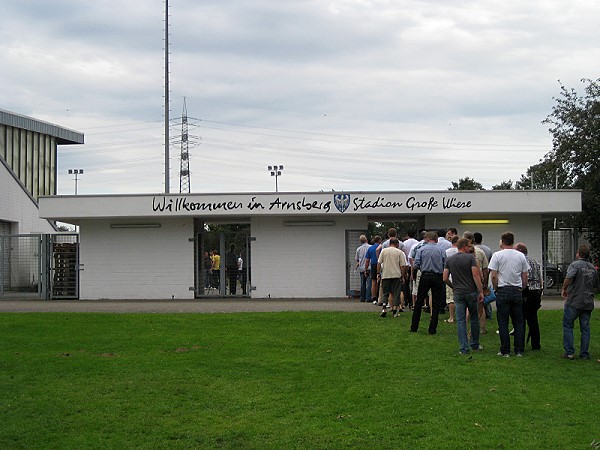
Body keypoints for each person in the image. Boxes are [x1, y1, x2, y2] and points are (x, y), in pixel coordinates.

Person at [488, 232, 529, 357]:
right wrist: (522, 287)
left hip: (503, 289)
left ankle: (505, 350)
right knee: (518, 321)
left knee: (503, 321)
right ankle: (519, 350)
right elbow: (525, 275)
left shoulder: (497, 255)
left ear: (502, 241)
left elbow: (493, 275)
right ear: (512, 241)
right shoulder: (521, 256)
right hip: (516, 290)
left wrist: (496, 287)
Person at [443, 238, 484, 354]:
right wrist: (480, 291)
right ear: (465, 246)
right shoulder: (470, 258)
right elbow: (476, 275)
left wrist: (453, 286)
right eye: (469, 246)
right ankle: (475, 344)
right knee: (474, 318)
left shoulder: (449, 260)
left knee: (461, 321)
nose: (471, 248)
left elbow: (445, 278)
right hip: (471, 292)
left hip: (458, 293)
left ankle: (464, 348)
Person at [561, 243, 599, 360]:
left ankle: (569, 352)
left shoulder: (575, 265)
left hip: (574, 300)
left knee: (567, 325)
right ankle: (584, 353)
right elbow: (596, 285)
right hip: (588, 302)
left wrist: (564, 288)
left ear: (578, 254)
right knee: (585, 328)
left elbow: (569, 278)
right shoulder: (593, 268)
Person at [410, 231, 446, 334]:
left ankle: (414, 326)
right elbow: (445, 264)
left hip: (425, 276)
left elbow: (416, 264)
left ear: (427, 239)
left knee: (419, 301)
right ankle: (432, 328)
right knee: (435, 303)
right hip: (437, 276)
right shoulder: (442, 250)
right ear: (436, 239)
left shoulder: (421, 249)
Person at [514, 243, 543, 350]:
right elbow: (540, 278)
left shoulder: (522, 261)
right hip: (536, 292)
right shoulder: (535, 261)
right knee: (533, 319)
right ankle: (536, 344)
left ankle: (520, 344)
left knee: (521, 319)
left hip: (527, 291)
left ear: (520, 251)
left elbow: (523, 277)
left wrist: (521, 289)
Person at [377, 237, 408, 317]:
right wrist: (403, 275)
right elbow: (402, 265)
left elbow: (379, 263)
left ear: (389, 243)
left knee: (385, 292)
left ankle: (384, 308)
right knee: (396, 292)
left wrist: (378, 273)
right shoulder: (399, 252)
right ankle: (395, 310)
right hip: (396, 275)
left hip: (385, 275)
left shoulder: (384, 251)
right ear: (397, 244)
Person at [444, 235, 460, 323]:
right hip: (460, 277)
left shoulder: (447, 252)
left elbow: (444, 264)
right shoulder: (461, 251)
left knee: (450, 299)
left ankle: (451, 317)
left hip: (450, 276)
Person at [365, 235, 382, 303]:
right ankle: (380, 297)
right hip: (380, 264)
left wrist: (366, 269)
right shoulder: (381, 247)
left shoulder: (370, 248)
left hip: (373, 265)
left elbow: (367, 260)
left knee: (373, 281)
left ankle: (374, 297)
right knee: (381, 282)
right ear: (379, 240)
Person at [355, 235, 371, 302]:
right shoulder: (370, 247)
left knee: (362, 283)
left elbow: (357, 259)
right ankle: (368, 297)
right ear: (366, 239)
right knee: (369, 283)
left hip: (362, 268)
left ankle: (362, 298)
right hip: (369, 267)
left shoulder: (358, 249)